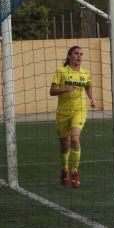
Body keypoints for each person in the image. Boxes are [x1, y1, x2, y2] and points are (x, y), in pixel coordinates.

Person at [49, 46, 94, 188]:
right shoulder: (61, 71)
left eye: (81, 54)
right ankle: (64, 169)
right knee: (64, 145)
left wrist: (91, 98)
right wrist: (64, 89)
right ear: (69, 56)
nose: (79, 56)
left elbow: (88, 86)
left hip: (79, 111)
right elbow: (52, 91)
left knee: (75, 139)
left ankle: (75, 173)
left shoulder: (86, 73)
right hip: (63, 113)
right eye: (76, 53)